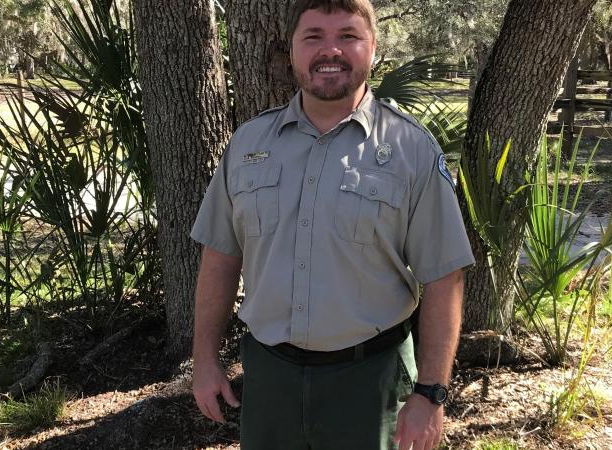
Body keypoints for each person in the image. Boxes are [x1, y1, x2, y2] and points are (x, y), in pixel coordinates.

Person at [190, 0, 474, 448]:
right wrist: (204, 359)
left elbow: (445, 276)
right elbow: (221, 255)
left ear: (373, 49)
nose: (331, 51)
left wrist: (431, 395)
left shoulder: (411, 150)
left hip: (370, 382)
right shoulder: (248, 143)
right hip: (269, 378)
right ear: (292, 51)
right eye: (314, 37)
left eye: (347, 36)